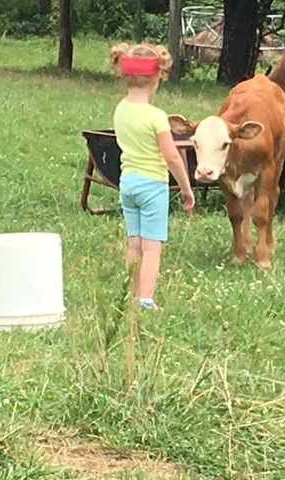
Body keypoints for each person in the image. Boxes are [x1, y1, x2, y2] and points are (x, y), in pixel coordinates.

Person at [109, 42, 195, 310]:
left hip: (128, 183)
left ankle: (131, 294)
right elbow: (171, 157)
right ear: (158, 76)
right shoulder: (156, 117)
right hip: (152, 186)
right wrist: (186, 188)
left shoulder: (120, 109)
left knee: (134, 243)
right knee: (152, 246)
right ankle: (146, 299)